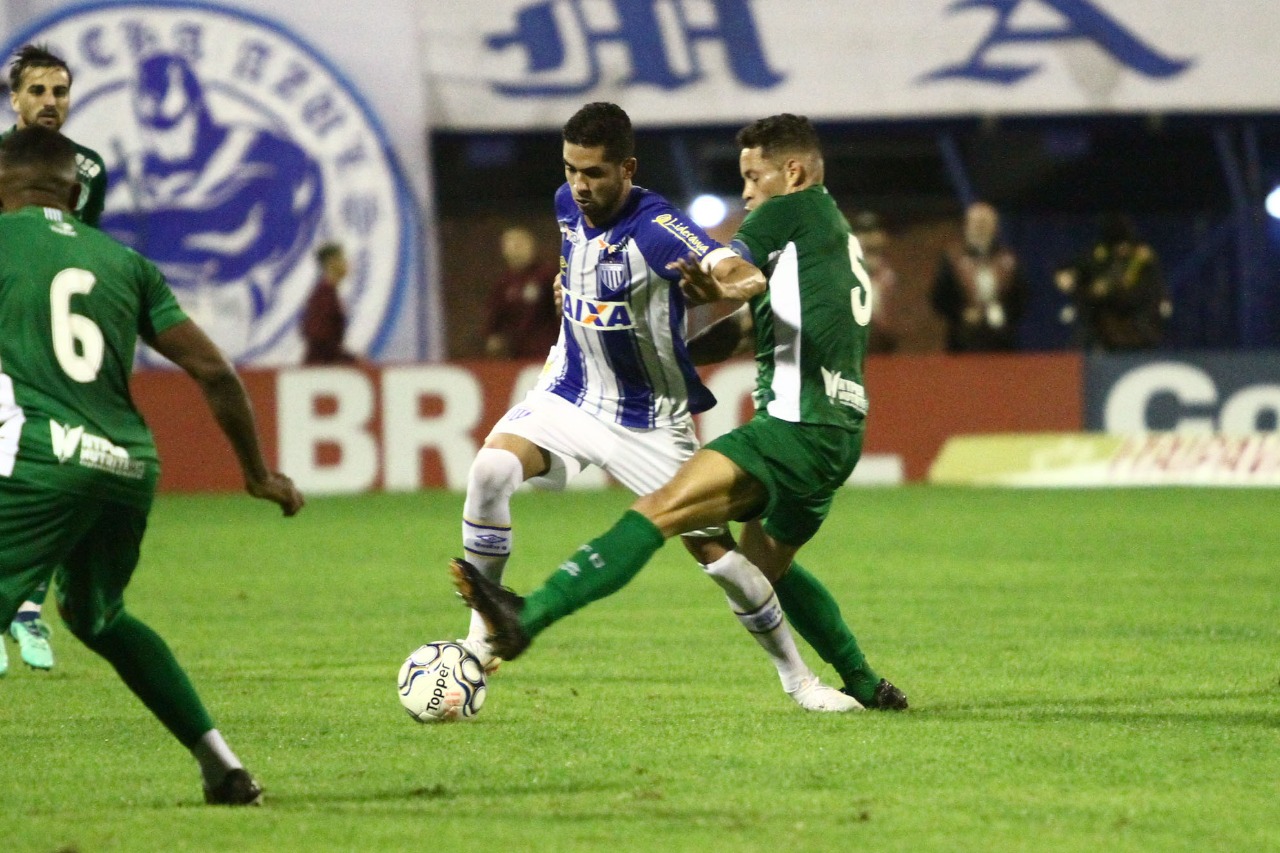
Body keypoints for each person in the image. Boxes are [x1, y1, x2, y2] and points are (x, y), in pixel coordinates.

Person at [452, 112, 907, 712]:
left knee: (661, 514)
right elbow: (750, 324)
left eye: (752, 176)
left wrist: (723, 284)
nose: (745, 193)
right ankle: (862, 681)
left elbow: (733, 271)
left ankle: (526, 617)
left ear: (791, 172)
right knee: (762, 566)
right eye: (571, 170)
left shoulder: (780, 213)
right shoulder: (831, 231)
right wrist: (666, 351)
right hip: (837, 432)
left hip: (789, 429)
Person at [0, 126, 304, 803]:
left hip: (45, 459)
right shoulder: (124, 263)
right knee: (97, 614)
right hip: (127, 467)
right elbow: (215, 371)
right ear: (75, 191)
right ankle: (223, 766)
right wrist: (255, 472)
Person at [1, 44, 110, 674]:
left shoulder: (88, 168)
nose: (50, 102)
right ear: (15, 98)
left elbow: (81, 254)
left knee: (54, 475)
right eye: (38, 91)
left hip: (54, 342)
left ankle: (28, 608)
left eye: (60, 91)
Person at [1055, 213, 1170, 351]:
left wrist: (1163, 298)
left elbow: (1153, 285)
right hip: (1105, 320)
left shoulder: (1142, 256)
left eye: (1125, 244)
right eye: (1118, 245)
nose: (1122, 249)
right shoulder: (1098, 255)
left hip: (1136, 317)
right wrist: (1067, 275)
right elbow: (1077, 270)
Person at [930, 201, 1027, 352]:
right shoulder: (952, 258)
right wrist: (961, 313)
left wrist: (1005, 312)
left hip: (1002, 340)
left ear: (995, 227)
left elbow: (1023, 296)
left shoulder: (1008, 259)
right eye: (976, 223)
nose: (980, 228)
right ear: (967, 225)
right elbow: (938, 297)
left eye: (985, 223)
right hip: (962, 340)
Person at [482, 225, 561, 359]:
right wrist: (493, 335)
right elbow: (495, 312)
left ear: (531, 246)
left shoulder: (547, 275)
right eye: (510, 245)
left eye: (519, 244)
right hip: (517, 353)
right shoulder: (504, 282)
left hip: (547, 351)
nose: (515, 250)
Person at [850, 211, 901, 354]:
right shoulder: (844, 274)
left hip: (885, 350)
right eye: (863, 232)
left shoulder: (891, 274)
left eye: (874, 231)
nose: (869, 238)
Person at [301, 242, 359, 365]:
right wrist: (349, 359)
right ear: (331, 262)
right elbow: (318, 338)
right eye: (342, 259)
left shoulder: (329, 293)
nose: (347, 264)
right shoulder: (324, 295)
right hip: (320, 367)